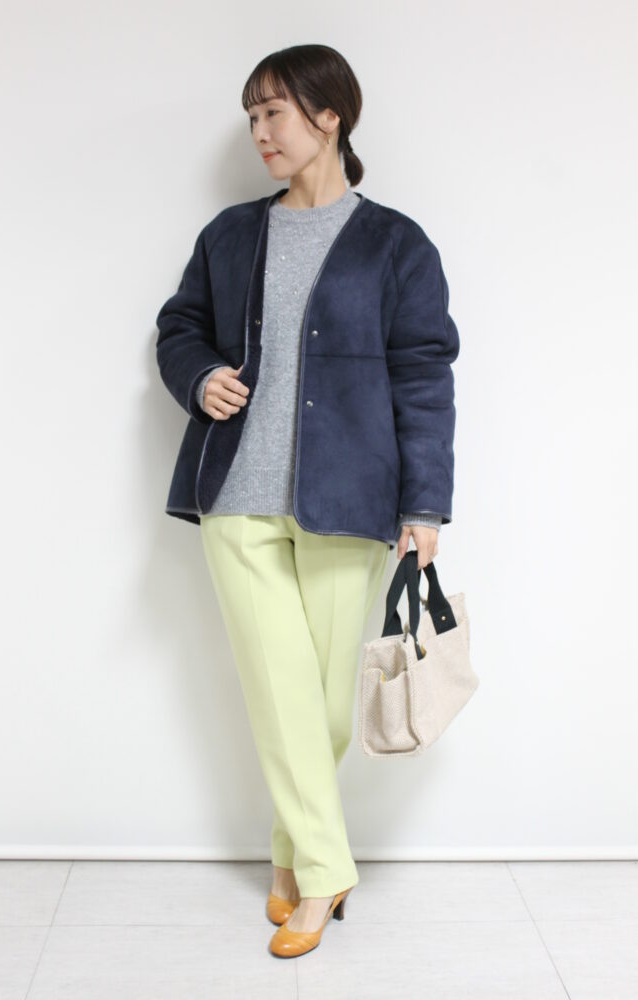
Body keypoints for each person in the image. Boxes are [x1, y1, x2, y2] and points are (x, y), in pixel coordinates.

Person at [155, 44, 460, 958]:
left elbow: (423, 377)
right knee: (278, 686)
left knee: (324, 707)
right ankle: (327, 875)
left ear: (328, 116)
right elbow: (179, 326)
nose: (259, 132)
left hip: (351, 497)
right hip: (236, 495)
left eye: (273, 113)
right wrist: (199, 375)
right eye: (251, 117)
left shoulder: (396, 244)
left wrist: (425, 507)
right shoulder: (230, 235)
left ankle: (289, 853)